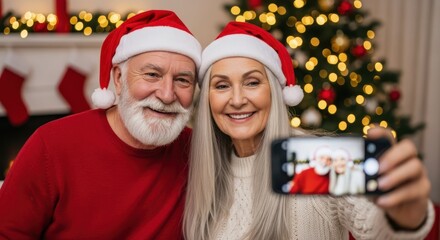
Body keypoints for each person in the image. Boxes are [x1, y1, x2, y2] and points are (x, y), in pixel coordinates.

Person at [183, 21, 434, 240]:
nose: (237, 99)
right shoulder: (206, 174)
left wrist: (404, 215)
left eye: (252, 82)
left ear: (275, 91)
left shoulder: (316, 159)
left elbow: (379, 228)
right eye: (222, 85)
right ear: (208, 99)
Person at [0, 10, 201, 239]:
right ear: (118, 78)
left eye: (183, 80)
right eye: (152, 74)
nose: (167, 95)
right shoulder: (51, 145)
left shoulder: (197, 152)